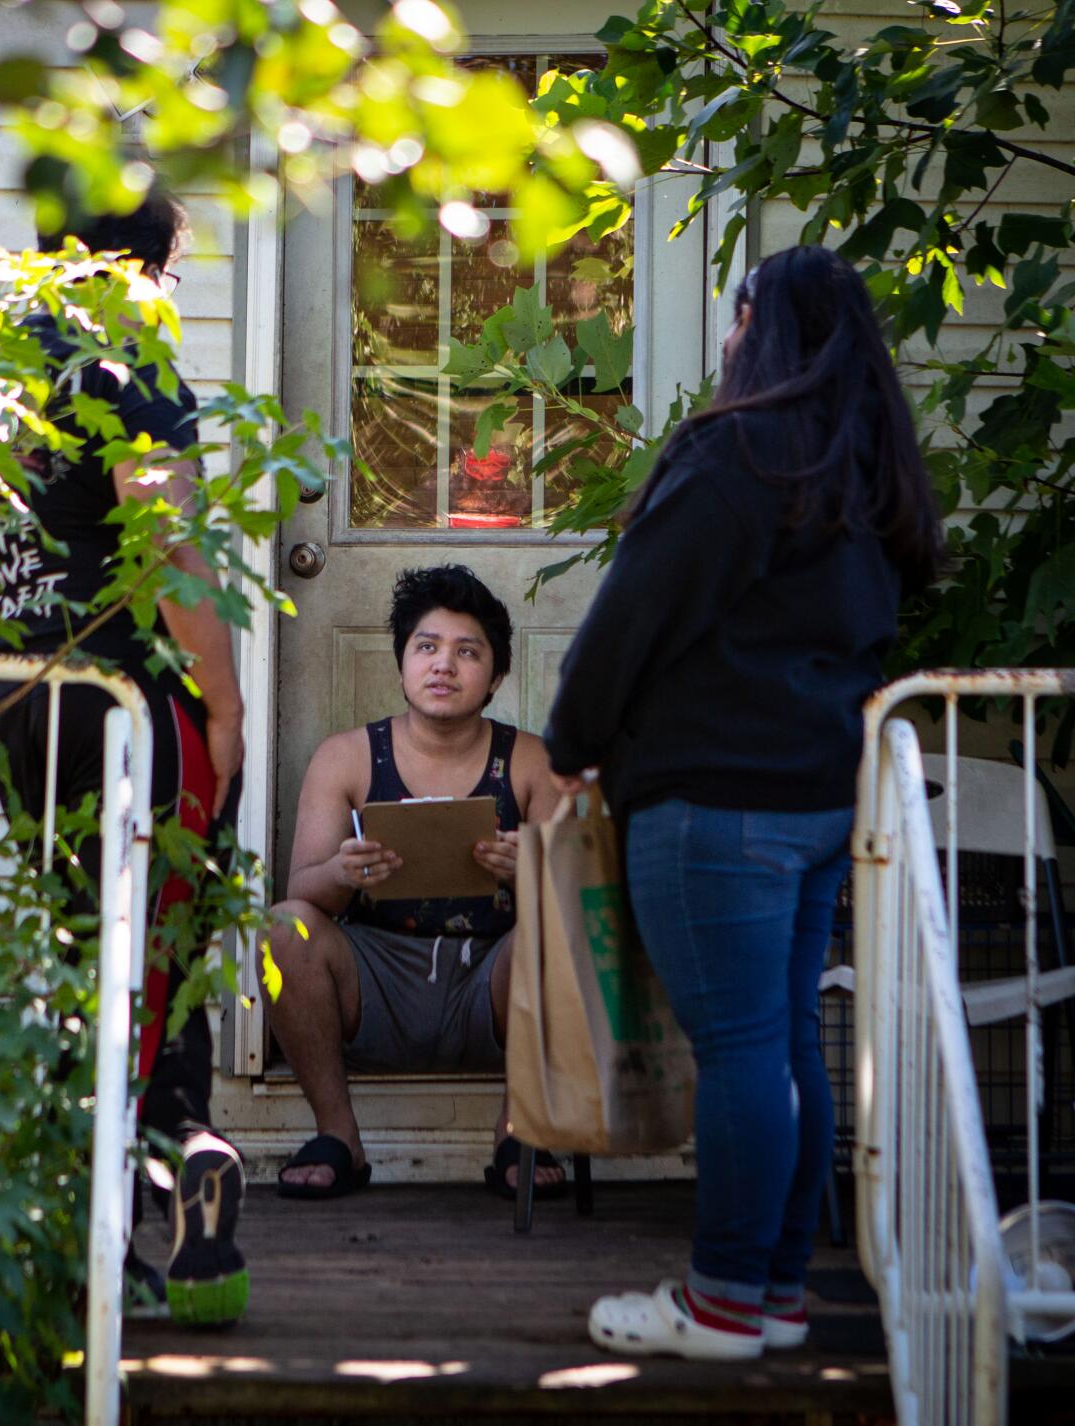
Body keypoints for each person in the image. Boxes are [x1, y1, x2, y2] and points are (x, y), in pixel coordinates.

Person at [543, 245, 944, 1361]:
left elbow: (630, 615)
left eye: (732, 321)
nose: (725, 345)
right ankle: (771, 1294)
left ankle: (719, 1300)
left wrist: (570, 743)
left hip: (715, 803)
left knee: (738, 1051)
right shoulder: (866, 475)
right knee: (782, 1049)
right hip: (821, 805)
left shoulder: (732, 455)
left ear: (755, 323)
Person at [0, 190, 249, 1325]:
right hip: (126, 706)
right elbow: (169, 548)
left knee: (74, 959)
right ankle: (175, 1169)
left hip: (13, 698)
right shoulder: (125, 359)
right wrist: (223, 705)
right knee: (153, 961)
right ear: (148, 259)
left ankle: (76, 1243)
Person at [263, 565, 565, 1201]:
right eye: (426, 647)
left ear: (497, 676)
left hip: (492, 984)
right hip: (375, 985)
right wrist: (344, 874)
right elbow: (303, 892)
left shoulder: (531, 760)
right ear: (401, 662)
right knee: (284, 926)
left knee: (554, 925)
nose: (443, 666)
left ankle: (521, 1132)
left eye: (467, 651)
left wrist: (532, 871)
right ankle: (338, 1137)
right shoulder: (347, 756)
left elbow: (578, 909)